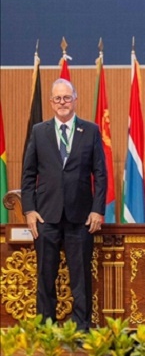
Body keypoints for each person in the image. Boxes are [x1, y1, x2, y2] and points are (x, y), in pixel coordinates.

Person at [21, 79, 107, 331]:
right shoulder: (39, 131)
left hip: (81, 217)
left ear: (75, 100)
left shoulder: (90, 131)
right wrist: (29, 209)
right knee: (45, 277)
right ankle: (46, 328)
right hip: (45, 217)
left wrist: (97, 209)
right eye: (57, 98)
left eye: (66, 98)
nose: (62, 103)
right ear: (50, 102)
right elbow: (28, 175)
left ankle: (81, 329)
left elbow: (100, 174)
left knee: (80, 277)